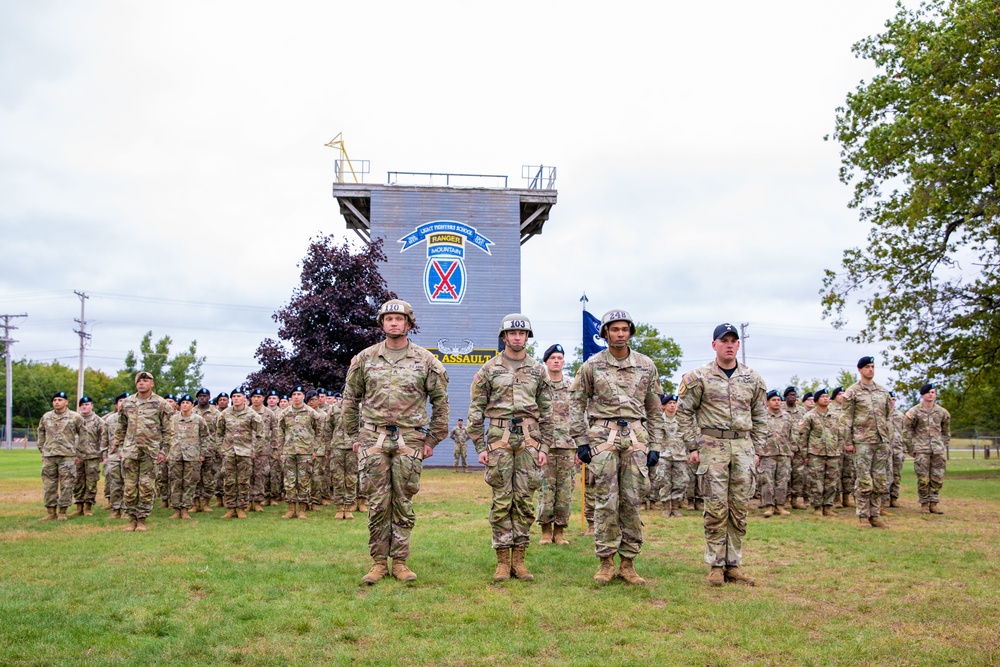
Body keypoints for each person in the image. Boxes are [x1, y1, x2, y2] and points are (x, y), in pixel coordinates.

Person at [343, 299, 450, 584]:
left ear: (408, 324)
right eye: (388, 318)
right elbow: (350, 399)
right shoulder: (365, 359)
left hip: (410, 437)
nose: (393, 323)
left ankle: (401, 561)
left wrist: (432, 439)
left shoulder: (425, 361)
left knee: (403, 501)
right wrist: (355, 436)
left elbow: (441, 402)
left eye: (399, 319)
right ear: (382, 323)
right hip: (372, 436)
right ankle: (378, 562)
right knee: (378, 502)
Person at [571, 309, 665, 586]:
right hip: (603, 438)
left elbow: (654, 408)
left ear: (630, 332)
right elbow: (576, 403)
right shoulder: (592, 365)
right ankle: (605, 562)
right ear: (605, 333)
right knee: (605, 502)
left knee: (633, 502)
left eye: (625, 329)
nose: (620, 334)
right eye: (615, 329)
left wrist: (656, 444)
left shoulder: (646, 365)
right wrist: (581, 441)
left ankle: (628, 563)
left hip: (636, 436)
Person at [677, 323, 766, 587]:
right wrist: (692, 446)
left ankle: (734, 564)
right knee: (716, 508)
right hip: (712, 446)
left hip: (742, 447)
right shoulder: (699, 377)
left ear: (739, 345)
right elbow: (684, 413)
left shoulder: (753, 379)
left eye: (733, 340)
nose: (729, 345)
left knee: (739, 509)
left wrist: (757, 449)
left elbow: (760, 415)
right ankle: (716, 565)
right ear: (714, 345)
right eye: (723, 340)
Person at [469, 315, 552, 581]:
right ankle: (503, 560)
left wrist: (545, 446)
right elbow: (476, 409)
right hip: (498, 438)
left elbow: (548, 411)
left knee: (525, 499)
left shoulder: (539, 370)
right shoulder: (489, 369)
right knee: (502, 500)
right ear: (504, 337)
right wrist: (480, 445)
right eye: (512, 334)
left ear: (527, 337)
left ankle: (520, 560)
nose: (517, 337)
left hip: (530, 439)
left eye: (522, 334)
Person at [114, 371, 175, 532]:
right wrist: (120, 447)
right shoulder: (127, 403)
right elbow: (120, 427)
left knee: (146, 486)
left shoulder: (161, 404)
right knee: (129, 487)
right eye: (139, 381)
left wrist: (164, 451)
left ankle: (142, 519)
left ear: (152, 384)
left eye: (146, 380)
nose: (142, 383)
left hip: (150, 452)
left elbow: (168, 430)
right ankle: (131, 518)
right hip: (130, 452)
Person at [842, 356, 894, 528]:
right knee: (864, 480)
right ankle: (863, 516)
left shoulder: (882, 391)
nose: (870, 369)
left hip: (880, 441)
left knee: (880, 480)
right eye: (867, 367)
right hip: (862, 441)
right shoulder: (853, 392)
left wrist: (888, 439)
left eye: (872, 366)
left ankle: (875, 514)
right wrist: (848, 441)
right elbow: (846, 418)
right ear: (860, 370)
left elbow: (888, 417)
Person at [537, 343, 576, 545]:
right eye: (553, 358)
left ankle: (559, 531)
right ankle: (545, 530)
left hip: (568, 446)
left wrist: (580, 445)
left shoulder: (572, 387)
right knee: (546, 488)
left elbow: (580, 416)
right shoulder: (539, 387)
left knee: (565, 490)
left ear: (563, 362)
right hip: (544, 446)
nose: (556, 361)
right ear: (546, 362)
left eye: (560, 358)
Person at [37, 391, 85, 521]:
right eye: (54, 400)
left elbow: (83, 436)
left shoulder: (75, 417)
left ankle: (63, 511)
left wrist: (78, 453)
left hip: (67, 456)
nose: (57, 402)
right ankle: (51, 512)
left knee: (67, 484)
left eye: (59, 400)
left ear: (66, 402)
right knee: (49, 484)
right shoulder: (46, 417)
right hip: (50, 455)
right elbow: (41, 433)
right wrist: (42, 449)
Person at [276, 386, 322, 520]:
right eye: (294, 394)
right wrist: (281, 451)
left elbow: (319, 431)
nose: (296, 396)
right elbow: (280, 433)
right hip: (289, 451)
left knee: (304, 480)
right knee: (289, 481)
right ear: (291, 397)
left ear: (303, 396)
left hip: (305, 452)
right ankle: (291, 509)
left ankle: (302, 510)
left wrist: (315, 449)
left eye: (299, 394)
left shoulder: (311, 412)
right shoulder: (284, 413)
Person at [905, 382, 951, 514]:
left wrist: (942, 445)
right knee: (923, 478)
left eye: (933, 392)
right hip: (921, 450)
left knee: (937, 477)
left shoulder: (942, 412)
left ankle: (934, 502)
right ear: (922, 395)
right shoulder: (914, 412)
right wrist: (910, 448)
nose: (931, 395)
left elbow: (946, 432)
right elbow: (907, 431)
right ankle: (924, 503)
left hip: (937, 450)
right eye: (928, 392)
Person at [216, 388, 262, 519]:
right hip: (229, 452)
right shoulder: (224, 414)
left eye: (238, 396)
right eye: (234, 396)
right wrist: (221, 449)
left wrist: (255, 451)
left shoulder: (252, 414)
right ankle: (230, 508)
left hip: (245, 452)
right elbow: (219, 433)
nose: (236, 398)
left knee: (243, 481)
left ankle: (241, 508)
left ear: (244, 399)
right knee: (229, 481)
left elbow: (260, 434)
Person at [797, 389, 843, 516]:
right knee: (816, 481)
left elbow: (840, 435)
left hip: (832, 454)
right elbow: (802, 436)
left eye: (827, 396)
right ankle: (817, 507)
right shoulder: (809, 416)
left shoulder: (834, 416)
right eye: (823, 396)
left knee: (831, 481)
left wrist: (838, 450)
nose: (826, 399)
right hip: (816, 453)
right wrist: (804, 454)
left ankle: (828, 507)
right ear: (817, 400)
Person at [168, 394, 208, 519]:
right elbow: (166, 436)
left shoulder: (198, 419)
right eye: (183, 403)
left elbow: (205, 437)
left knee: (189, 482)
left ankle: (185, 509)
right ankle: (176, 509)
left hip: (192, 455)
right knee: (175, 482)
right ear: (179, 405)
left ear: (192, 405)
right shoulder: (172, 419)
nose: (185, 405)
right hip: (175, 454)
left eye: (187, 403)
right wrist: (166, 452)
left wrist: (202, 453)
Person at [758, 390, 793, 517]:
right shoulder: (761, 417)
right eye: (774, 400)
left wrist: (792, 450)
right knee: (767, 481)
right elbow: (757, 434)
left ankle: (780, 506)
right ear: (767, 402)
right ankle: (769, 506)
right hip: (767, 453)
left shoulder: (787, 416)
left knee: (783, 480)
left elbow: (792, 434)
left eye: (779, 400)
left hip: (784, 453)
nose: (777, 402)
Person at [656, 393, 688, 518]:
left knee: (681, 482)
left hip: (680, 455)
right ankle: (666, 507)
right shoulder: (658, 420)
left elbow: (688, 436)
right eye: (670, 403)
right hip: (664, 455)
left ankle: (675, 507)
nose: (673, 405)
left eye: (674, 403)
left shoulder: (682, 421)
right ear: (663, 406)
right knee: (664, 480)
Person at [73, 396, 107, 516]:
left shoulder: (99, 421)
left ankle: (88, 507)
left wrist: (102, 454)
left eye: (87, 404)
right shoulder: (74, 419)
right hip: (77, 456)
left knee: (91, 482)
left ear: (92, 405)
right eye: (82, 405)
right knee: (77, 481)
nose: (84, 407)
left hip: (92, 456)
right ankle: (78, 507)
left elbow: (103, 439)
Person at [193, 388, 220, 513]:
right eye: (200, 396)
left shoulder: (216, 413)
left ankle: (206, 502)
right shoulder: (192, 411)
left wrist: (218, 447)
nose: (202, 398)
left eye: (204, 396)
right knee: (194, 477)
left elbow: (220, 431)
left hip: (210, 449)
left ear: (209, 397)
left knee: (208, 477)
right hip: (194, 450)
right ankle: (195, 503)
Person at [102, 392, 129, 517]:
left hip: (129, 455)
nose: (123, 403)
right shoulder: (109, 420)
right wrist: (105, 456)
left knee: (128, 484)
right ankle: (116, 509)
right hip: (113, 456)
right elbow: (104, 440)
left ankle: (126, 510)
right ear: (116, 404)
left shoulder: (134, 419)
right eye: (120, 401)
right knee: (114, 484)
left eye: (126, 401)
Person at [248, 388, 275, 512]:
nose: (256, 399)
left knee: (260, 474)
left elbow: (275, 432)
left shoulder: (269, 414)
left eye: (259, 397)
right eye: (254, 397)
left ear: (263, 398)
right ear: (251, 398)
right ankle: (247, 501)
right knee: (247, 474)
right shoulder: (246, 412)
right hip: (246, 447)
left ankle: (258, 500)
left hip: (263, 449)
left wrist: (273, 448)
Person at [784, 386, 809, 510]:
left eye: (794, 395)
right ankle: (785, 499)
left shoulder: (802, 411)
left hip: (799, 448)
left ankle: (795, 499)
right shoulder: (782, 410)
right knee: (785, 475)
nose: (792, 397)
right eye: (790, 395)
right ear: (785, 397)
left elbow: (805, 430)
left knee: (798, 475)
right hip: (785, 448)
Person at [830, 386, 855, 508]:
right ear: (834, 396)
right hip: (835, 446)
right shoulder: (830, 409)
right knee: (836, 473)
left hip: (849, 446)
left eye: (843, 393)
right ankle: (836, 498)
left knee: (848, 473)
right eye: (839, 394)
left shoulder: (849, 409)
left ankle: (846, 497)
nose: (842, 396)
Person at [885, 391, 905, 509]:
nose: (892, 402)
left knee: (896, 475)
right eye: (889, 400)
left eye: (893, 399)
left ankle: (894, 497)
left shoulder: (900, 416)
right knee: (886, 474)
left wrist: (905, 450)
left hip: (898, 449)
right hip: (885, 449)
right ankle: (885, 498)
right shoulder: (882, 415)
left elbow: (905, 433)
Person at [265, 389, 284, 505]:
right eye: (270, 398)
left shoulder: (283, 412)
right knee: (263, 472)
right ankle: (264, 495)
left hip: (276, 447)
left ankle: (275, 495)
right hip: (264, 446)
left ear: (278, 400)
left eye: (274, 398)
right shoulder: (261, 412)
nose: (272, 400)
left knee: (275, 472)